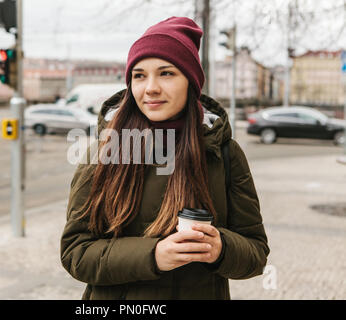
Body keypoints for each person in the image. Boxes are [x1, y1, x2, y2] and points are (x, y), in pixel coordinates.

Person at [60, 16, 269, 300]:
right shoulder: (105, 149)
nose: (151, 88)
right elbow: (76, 253)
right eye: (139, 75)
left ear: (191, 82)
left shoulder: (224, 153)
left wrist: (222, 248)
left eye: (166, 73)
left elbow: (255, 254)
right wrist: (154, 256)